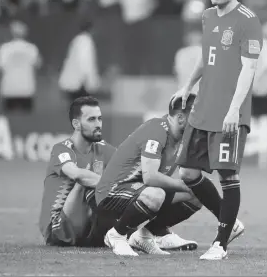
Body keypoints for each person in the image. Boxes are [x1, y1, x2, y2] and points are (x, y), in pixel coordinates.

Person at [171, 0, 263, 260]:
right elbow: (205, 55)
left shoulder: (248, 21)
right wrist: (187, 86)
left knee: (227, 175)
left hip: (228, 113)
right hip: (202, 110)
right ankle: (229, 220)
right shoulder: (208, 16)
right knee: (188, 173)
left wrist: (234, 110)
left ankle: (220, 244)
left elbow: (249, 69)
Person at [96, 94, 231, 257]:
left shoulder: (182, 138)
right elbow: (150, 177)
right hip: (111, 193)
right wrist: (183, 185)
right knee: (157, 194)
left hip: (140, 192)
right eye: (196, 117)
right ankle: (117, 234)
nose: (199, 123)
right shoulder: (157, 130)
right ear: (181, 118)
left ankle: (146, 235)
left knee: (197, 192)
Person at [39, 96, 116, 247]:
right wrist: (113, 185)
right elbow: (76, 174)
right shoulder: (61, 149)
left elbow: (125, 166)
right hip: (58, 228)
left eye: (100, 119)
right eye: (91, 119)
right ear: (76, 124)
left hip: (86, 226)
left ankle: (142, 234)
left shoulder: (103, 148)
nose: (98, 124)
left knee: (127, 186)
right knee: (86, 183)